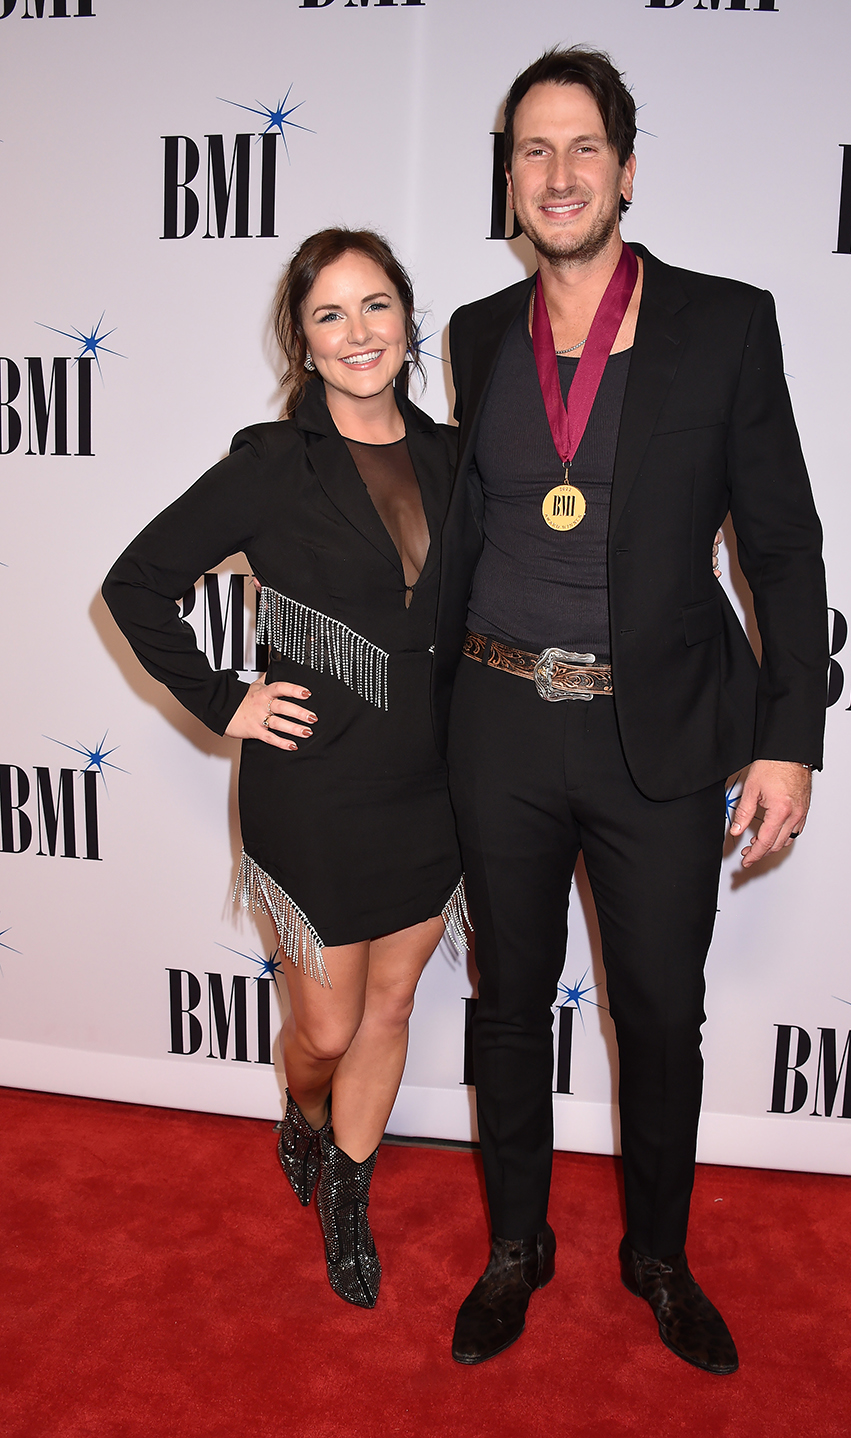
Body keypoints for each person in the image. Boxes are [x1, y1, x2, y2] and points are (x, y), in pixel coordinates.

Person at [433, 50, 828, 1372]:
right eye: (533, 152)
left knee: (660, 1010)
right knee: (507, 1003)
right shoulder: (481, 333)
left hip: (655, 734)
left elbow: (782, 548)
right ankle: (516, 1244)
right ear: (511, 179)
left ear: (628, 169)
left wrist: (790, 735)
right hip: (498, 719)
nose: (557, 175)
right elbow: (466, 532)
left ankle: (656, 1252)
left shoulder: (723, 324)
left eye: (582, 148)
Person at [103, 228, 466, 1309]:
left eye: (376, 308)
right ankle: (305, 1114)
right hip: (313, 785)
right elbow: (136, 584)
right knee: (323, 1027)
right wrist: (227, 699)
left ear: (409, 321)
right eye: (330, 315)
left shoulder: (456, 456)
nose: (359, 333)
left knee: (391, 1007)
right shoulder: (271, 461)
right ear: (302, 342)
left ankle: (346, 1188)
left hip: (434, 783)